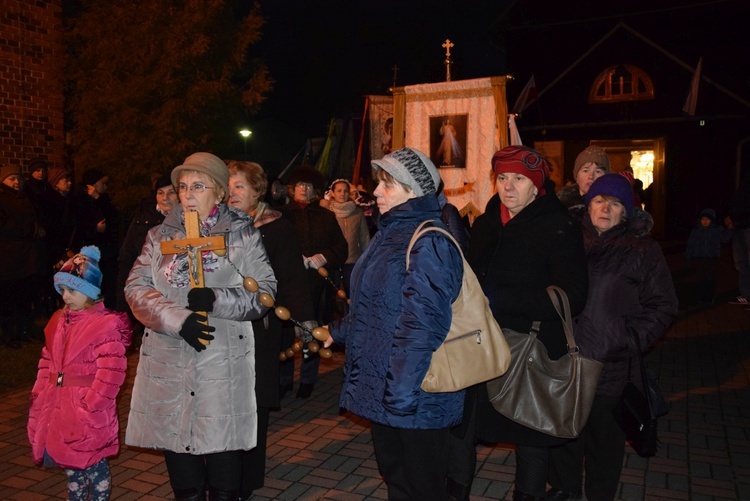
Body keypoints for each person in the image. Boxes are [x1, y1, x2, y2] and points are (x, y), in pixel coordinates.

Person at [124, 152, 277, 501]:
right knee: (179, 449)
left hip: (221, 356)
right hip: (170, 354)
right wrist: (177, 319)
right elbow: (135, 288)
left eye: (198, 186)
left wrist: (217, 299)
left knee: (223, 451)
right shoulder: (158, 235)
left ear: (220, 193)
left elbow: (264, 293)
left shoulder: (242, 235)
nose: (187, 194)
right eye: (182, 187)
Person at [445, 145, 589, 501]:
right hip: (480, 344)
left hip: (531, 346)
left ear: (537, 185)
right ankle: (455, 492)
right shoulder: (487, 220)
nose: (508, 187)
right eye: (502, 178)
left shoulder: (559, 226)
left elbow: (574, 296)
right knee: (463, 426)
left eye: (519, 179)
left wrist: (501, 299)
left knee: (531, 433)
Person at [324, 146, 464, 500]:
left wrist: (400, 396)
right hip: (385, 385)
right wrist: (336, 332)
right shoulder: (388, 234)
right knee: (397, 477)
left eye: (388, 184)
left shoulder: (428, 240)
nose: (376, 192)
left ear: (414, 190)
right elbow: (375, 307)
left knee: (423, 485)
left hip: (413, 392)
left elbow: (423, 325)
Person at [546, 174, 678, 501]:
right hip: (565, 362)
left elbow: (664, 305)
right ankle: (566, 491)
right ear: (587, 204)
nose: (606, 208)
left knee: (605, 444)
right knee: (564, 438)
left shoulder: (642, 249)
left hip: (611, 366)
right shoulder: (565, 238)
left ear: (626, 212)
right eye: (600, 200)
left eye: (616, 203)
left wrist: (628, 339)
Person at [226, 160, 316, 499]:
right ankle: (225, 469)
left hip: (261, 327)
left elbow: (291, 276)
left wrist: (304, 319)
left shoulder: (276, 226)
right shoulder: (219, 225)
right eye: (229, 186)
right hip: (225, 323)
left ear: (256, 190)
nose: (233, 193)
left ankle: (248, 477)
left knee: (254, 400)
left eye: (239, 186)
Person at [27, 245, 132, 501]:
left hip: (86, 408)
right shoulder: (59, 321)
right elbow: (47, 359)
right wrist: (41, 391)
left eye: (72, 291)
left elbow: (112, 370)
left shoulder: (103, 325)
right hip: (60, 405)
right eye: (62, 290)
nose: (65, 297)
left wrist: (92, 403)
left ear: (90, 293)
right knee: (71, 466)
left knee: (94, 465)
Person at [280, 166, 348, 399]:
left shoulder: (327, 217)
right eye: (299, 185)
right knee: (286, 330)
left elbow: (341, 248)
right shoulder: (281, 215)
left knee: (313, 331)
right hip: (288, 283)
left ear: (316, 191)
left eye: (307, 186)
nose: (303, 190)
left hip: (316, 285)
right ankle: (284, 379)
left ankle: (308, 379)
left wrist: (323, 256)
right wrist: (289, 257)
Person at [115, 173, 178, 317]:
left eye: (171, 193)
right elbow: (127, 258)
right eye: (160, 193)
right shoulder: (143, 219)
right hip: (148, 295)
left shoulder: (188, 221)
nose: (164, 198)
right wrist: (122, 304)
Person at [0, 165, 44, 349]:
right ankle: (9, 335)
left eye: (18, 178)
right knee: (9, 297)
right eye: (11, 179)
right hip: (9, 257)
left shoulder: (24, 198)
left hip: (26, 256)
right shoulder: (2, 199)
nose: (16, 182)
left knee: (24, 296)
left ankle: (24, 330)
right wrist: (27, 230)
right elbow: (5, 225)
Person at [75, 168, 122, 309]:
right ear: (94, 184)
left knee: (109, 288)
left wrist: (99, 199)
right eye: (102, 183)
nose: (105, 187)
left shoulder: (103, 200)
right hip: (90, 254)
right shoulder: (80, 201)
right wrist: (94, 229)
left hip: (107, 253)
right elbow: (77, 226)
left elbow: (114, 218)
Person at [325, 178, 370, 296]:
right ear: (333, 193)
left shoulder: (357, 212)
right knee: (331, 296)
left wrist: (366, 258)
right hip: (333, 261)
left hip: (353, 260)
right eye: (339, 191)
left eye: (345, 191)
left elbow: (364, 237)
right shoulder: (327, 213)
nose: (342, 194)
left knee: (353, 294)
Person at [685, 208, 731, 304]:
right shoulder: (696, 231)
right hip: (699, 256)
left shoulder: (716, 230)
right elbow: (690, 244)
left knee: (710, 277)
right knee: (700, 277)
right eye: (703, 219)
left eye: (707, 219)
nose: (705, 221)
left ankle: (710, 296)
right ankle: (701, 296)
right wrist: (688, 257)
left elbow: (725, 238)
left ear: (711, 220)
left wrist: (730, 228)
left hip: (712, 257)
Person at [557, 145, 610, 219]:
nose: (591, 176)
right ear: (576, 176)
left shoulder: (611, 208)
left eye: (598, 171)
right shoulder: (559, 206)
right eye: (586, 171)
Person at [727, 173, 750, 305]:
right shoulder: (745, 181)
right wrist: (731, 218)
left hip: (746, 227)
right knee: (741, 263)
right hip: (738, 226)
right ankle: (746, 295)